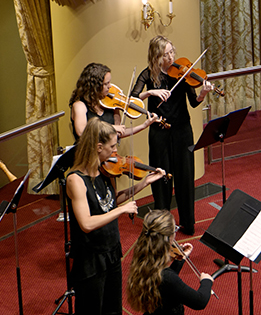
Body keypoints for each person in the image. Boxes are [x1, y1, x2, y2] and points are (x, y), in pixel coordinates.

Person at [67, 118, 164, 314]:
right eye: (112, 146)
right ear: (97, 147)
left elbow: (112, 200)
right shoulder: (75, 180)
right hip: (91, 259)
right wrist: (121, 211)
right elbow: (86, 223)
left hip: (111, 250)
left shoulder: (104, 171)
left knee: (113, 309)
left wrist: (144, 183)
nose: (115, 151)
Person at [131, 36, 212, 236]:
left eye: (171, 52)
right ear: (156, 56)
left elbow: (193, 102)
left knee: (185, 177)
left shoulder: (182, 73)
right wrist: (151, 93)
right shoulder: (148, 75)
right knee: (161, 179)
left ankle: (188, 223)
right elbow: (132, 99)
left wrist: (203, 93)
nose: (171, 57)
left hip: (183, 131)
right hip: (159, 133)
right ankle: (162, 226)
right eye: (166, 54)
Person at [126, 209, 213, 315]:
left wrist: (180, 259)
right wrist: (207, 281)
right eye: (175, 230)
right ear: (169, 238)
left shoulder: (143, 259)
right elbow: (199, 301)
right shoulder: (167, 278)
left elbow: (164, 283)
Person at [70, 62, 157, 142]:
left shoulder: (111, 104)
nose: (110, 86)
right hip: (87, 155)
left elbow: (118, 133)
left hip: (107, 154)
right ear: (95, 86)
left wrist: (144, 125)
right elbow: (82, 132)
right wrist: (112, 127)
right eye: (106, 84)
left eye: (109, 82)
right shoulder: (80, 105)